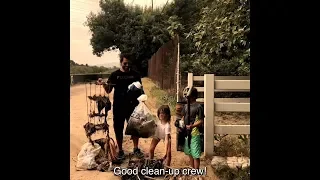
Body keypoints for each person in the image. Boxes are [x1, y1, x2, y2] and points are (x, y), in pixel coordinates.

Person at [97, 53, 144, 160]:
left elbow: (141, 90)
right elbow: (108, 90)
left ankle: (136, 149)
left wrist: (142, 101)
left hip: (133, 106)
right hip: (118, 106)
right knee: (118, 128)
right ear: (120, 62)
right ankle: (121, 150)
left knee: (135, 128)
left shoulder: (135, 75)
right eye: (125, 63)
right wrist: (103, 83)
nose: (127, 65)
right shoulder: (114, 75)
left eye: (129, 63)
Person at [180, 88, 204, 169]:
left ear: (193, 96)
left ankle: (196, 172)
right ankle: (192, 169)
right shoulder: (186, 106)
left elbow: (201, 121)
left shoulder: (198, 107)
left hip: (195, 133)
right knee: (189, 152)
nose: (187, 98)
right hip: (187, 133)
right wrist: (181, 123)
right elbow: (183, 116)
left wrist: (192, 126)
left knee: (195, 154)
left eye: (188, 96)